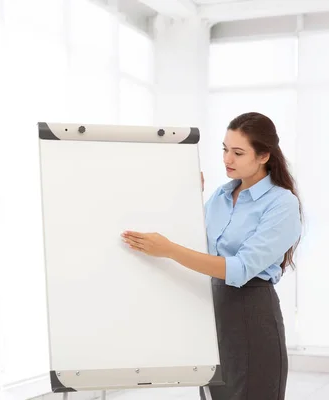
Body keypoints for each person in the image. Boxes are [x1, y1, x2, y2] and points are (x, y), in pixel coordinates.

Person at [121, 112, 302, 400]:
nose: (227, 159)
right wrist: (188, 196)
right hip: (212, 308)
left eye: (238, 152)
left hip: (253, 311)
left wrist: (168, 250)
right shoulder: (220, 196)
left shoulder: (282, 203)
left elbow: (241, 269)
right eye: (225, 149)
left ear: (264, 155)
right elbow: (196, 244)